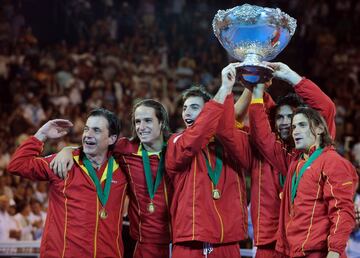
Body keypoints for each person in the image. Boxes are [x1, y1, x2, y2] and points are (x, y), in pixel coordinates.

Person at [233, 61, 336, 258]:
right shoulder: (273, 149)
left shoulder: (314, 153)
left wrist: (291, 77)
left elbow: (326, 108)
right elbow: (258, 129)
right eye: (280, 118)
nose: (285, 123)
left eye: (292, 118)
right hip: (270, 242)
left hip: (307, 241)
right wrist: (255, 87)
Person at [51, 100, 173, 258]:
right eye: (137, 121)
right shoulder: (125, 148)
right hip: (143, 243)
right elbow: (96, 145)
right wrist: (69, 150)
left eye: (148, 120)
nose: (141, 127)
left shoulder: (177, 148)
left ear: (162, 122)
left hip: (178, 239)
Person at [250, 82, 358, 257]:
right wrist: (256, 91)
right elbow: (263, 137)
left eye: (302, 125)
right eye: (293, 127)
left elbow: (342, 210)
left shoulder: (333, 162)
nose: (295, 131)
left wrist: (334, 251)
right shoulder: (294, 161)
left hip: (319, 252)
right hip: (293, 251)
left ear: (320, 128)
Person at [7, 108, 127, 257]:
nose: (88, 135)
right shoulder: (62, 163)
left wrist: (70, 148)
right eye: (86, 129)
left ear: (111, 139)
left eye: (96, 130)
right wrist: (42, 135)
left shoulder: (123, 170)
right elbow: (17, 165)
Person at [165, 63, 252, 258]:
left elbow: (231, 127)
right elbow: (196, 138)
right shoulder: (176, 141)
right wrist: (224, 89)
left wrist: (253, 85)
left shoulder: (230, 146)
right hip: (189, 240)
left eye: (194, 107)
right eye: (184, 108)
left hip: (227, 240)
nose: (186, 112)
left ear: (209, 112)